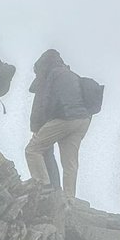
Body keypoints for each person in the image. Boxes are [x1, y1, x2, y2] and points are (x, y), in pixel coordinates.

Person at [24, 49, 92, 197]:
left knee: (32, 149)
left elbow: (44, 102)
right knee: (70, 163)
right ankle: (68, 199)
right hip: (82, 120)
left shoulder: (51, 75)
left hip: (65, 118)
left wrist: (38, 127)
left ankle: (43, 185)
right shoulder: (71, 75)